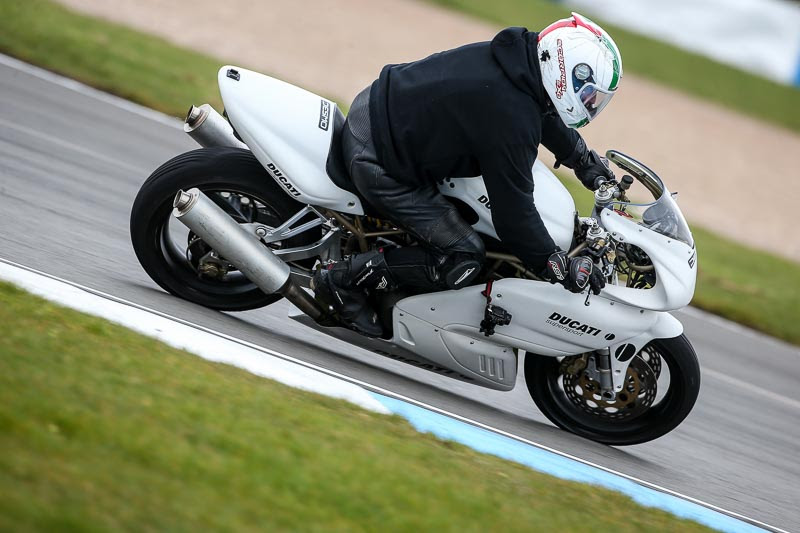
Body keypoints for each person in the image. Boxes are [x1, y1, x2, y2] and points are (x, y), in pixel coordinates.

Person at [313, 12, 622, 337]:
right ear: (564, 74)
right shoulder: (511, 116)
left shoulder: (518, 60)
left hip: (377, 111)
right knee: (462, 254)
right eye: (589, 94)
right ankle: (341, 280)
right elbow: (513, 215)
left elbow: (544, 114)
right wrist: (555, 264)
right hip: (380, 161)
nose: (591, 103)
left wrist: (584, 161)